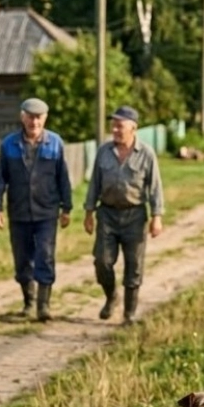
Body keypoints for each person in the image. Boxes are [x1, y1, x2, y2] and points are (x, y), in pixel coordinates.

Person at [0, 97, 73, 321]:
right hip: (18, 212)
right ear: (22, 117)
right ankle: (28, 303)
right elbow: (0, 178)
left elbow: (63, 178)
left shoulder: (55, 143)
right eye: (30, 116)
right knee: (22, 258)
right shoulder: (9, 144)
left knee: (45, 256)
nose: (34, 121)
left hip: (47, 211)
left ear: (44, 119)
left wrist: (67, 208)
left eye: (38, 117)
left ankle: (43, 306)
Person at [83, 105, 165, 324]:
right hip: (107, 214)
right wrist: (89, 212)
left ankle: (129, 314)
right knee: (102, 261)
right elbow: (94, 183)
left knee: (134, 266)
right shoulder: (104, 151)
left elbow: (155, 186)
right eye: (114, 125)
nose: (115, 130)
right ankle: (111, 297)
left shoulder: (146, 153)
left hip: (134, 215)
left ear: (133, 128)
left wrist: (157, 216)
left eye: (120, 126)